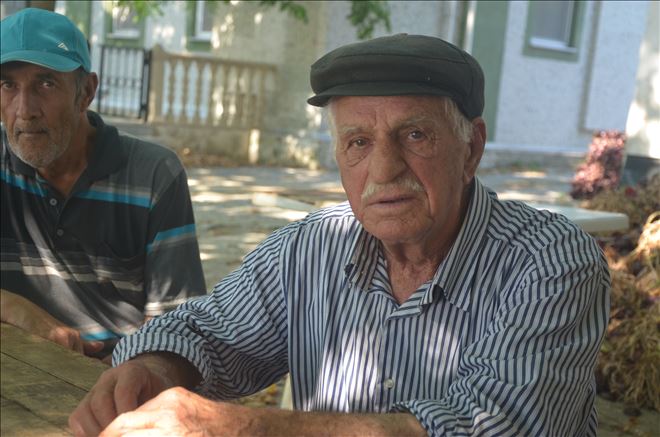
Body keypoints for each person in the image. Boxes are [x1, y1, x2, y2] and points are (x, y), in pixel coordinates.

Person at [69, 34, 610, 436]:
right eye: (358, 142)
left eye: (414, 135)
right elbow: (206, 332)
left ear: (471, 148)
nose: (384, 170)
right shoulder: (311, 247)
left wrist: (241, 428)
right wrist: (153, 367)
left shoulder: (551, 261)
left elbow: (496, 426)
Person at [0, 8, 206, 360]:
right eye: (8, 85)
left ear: (86, 92)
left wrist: (125, 374)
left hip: (121, 373)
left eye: (46, 84)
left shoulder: (153, 175)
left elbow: (178, 324)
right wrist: (13, 307)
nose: (25, 110)